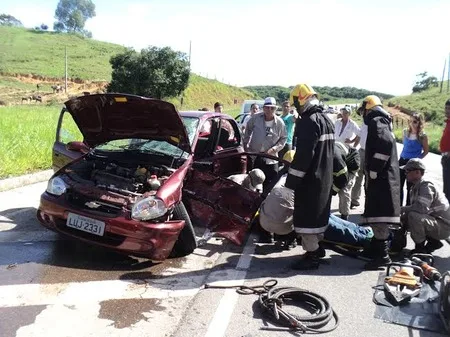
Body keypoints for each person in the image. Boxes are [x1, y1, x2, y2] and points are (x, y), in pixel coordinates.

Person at [259, 150, 372, 252]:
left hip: (276, 219)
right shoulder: (298, 178)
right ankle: (362, 235)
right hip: (286, 219)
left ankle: (362, 233)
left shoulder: (281, 176)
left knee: (327, 220)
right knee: (328, 223)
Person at [285, 84, 335, 270]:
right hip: (324, 178)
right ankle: (318, 248)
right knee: (318, 217)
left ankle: (312, 256)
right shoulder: (326, 119)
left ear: (300, 99)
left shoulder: (308, 121)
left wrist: (291, 182)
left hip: (310, 180)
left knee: (307, 218)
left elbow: (304, 156)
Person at [358, 95, 400, 270]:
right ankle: (376, 248)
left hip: (382, 178)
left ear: (368, 108)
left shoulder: (376, 119)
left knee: (379, 215)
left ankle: (382, 256)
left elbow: (385, 143)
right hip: (383, 178)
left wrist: (375, 167)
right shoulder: (382, 119)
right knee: (376, 213)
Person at [400, 158, 450, 254]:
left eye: (407, 171)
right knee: (405, 216)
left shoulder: (426, 185)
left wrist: (401, 209)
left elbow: (421, 208)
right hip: (436, 222)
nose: (405, 173)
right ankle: (434, 242)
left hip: (443, 227)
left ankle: (420, 250)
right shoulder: (416, 186)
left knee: (413, 216)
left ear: (417, 172)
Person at [243, 97, 287, 189]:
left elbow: (283, 138)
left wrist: (274, 149)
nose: (269, 110)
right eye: (267, 107)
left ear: (275, 109)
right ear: (263, 108)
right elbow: (247, 130)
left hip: (271, 159)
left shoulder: (280, 123)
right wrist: (245, 146)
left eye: (272, 108)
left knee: (270, 183)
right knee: (254, 182)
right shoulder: (255, 118)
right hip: (256, 156)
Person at [398, 112, 429, 206]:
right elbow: (405, 146)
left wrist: (418, 160)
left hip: (413, 164)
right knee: (399, 186)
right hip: (402, 160)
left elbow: (426, 151)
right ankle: (398, 208)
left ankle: (408, 209)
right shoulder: (405, 132)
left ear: (419, 122)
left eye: (414, 121)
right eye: (410, 121)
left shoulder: (422, 135)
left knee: (410, 188)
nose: (412, 124)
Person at [333, 141, 360, 220]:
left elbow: (342, 179)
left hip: (352, 163)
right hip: (341, 161)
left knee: (344, 190)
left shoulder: (335, 157)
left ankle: (344, 217)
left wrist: (333, 190)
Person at [350, 114, 368, 208]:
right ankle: (354, 200)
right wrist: (352, 144)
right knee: (358, 176)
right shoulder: (364, 123)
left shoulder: (375, 123)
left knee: (368, 179)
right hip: (361, 151)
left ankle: (368, 203)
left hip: (370, 152)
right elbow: (359, 135)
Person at [440, 99, 450, 202]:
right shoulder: (447, 122)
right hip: (445, 158)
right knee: (447, 188)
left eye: (449, 108)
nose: (447, 110)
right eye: (446, 108)